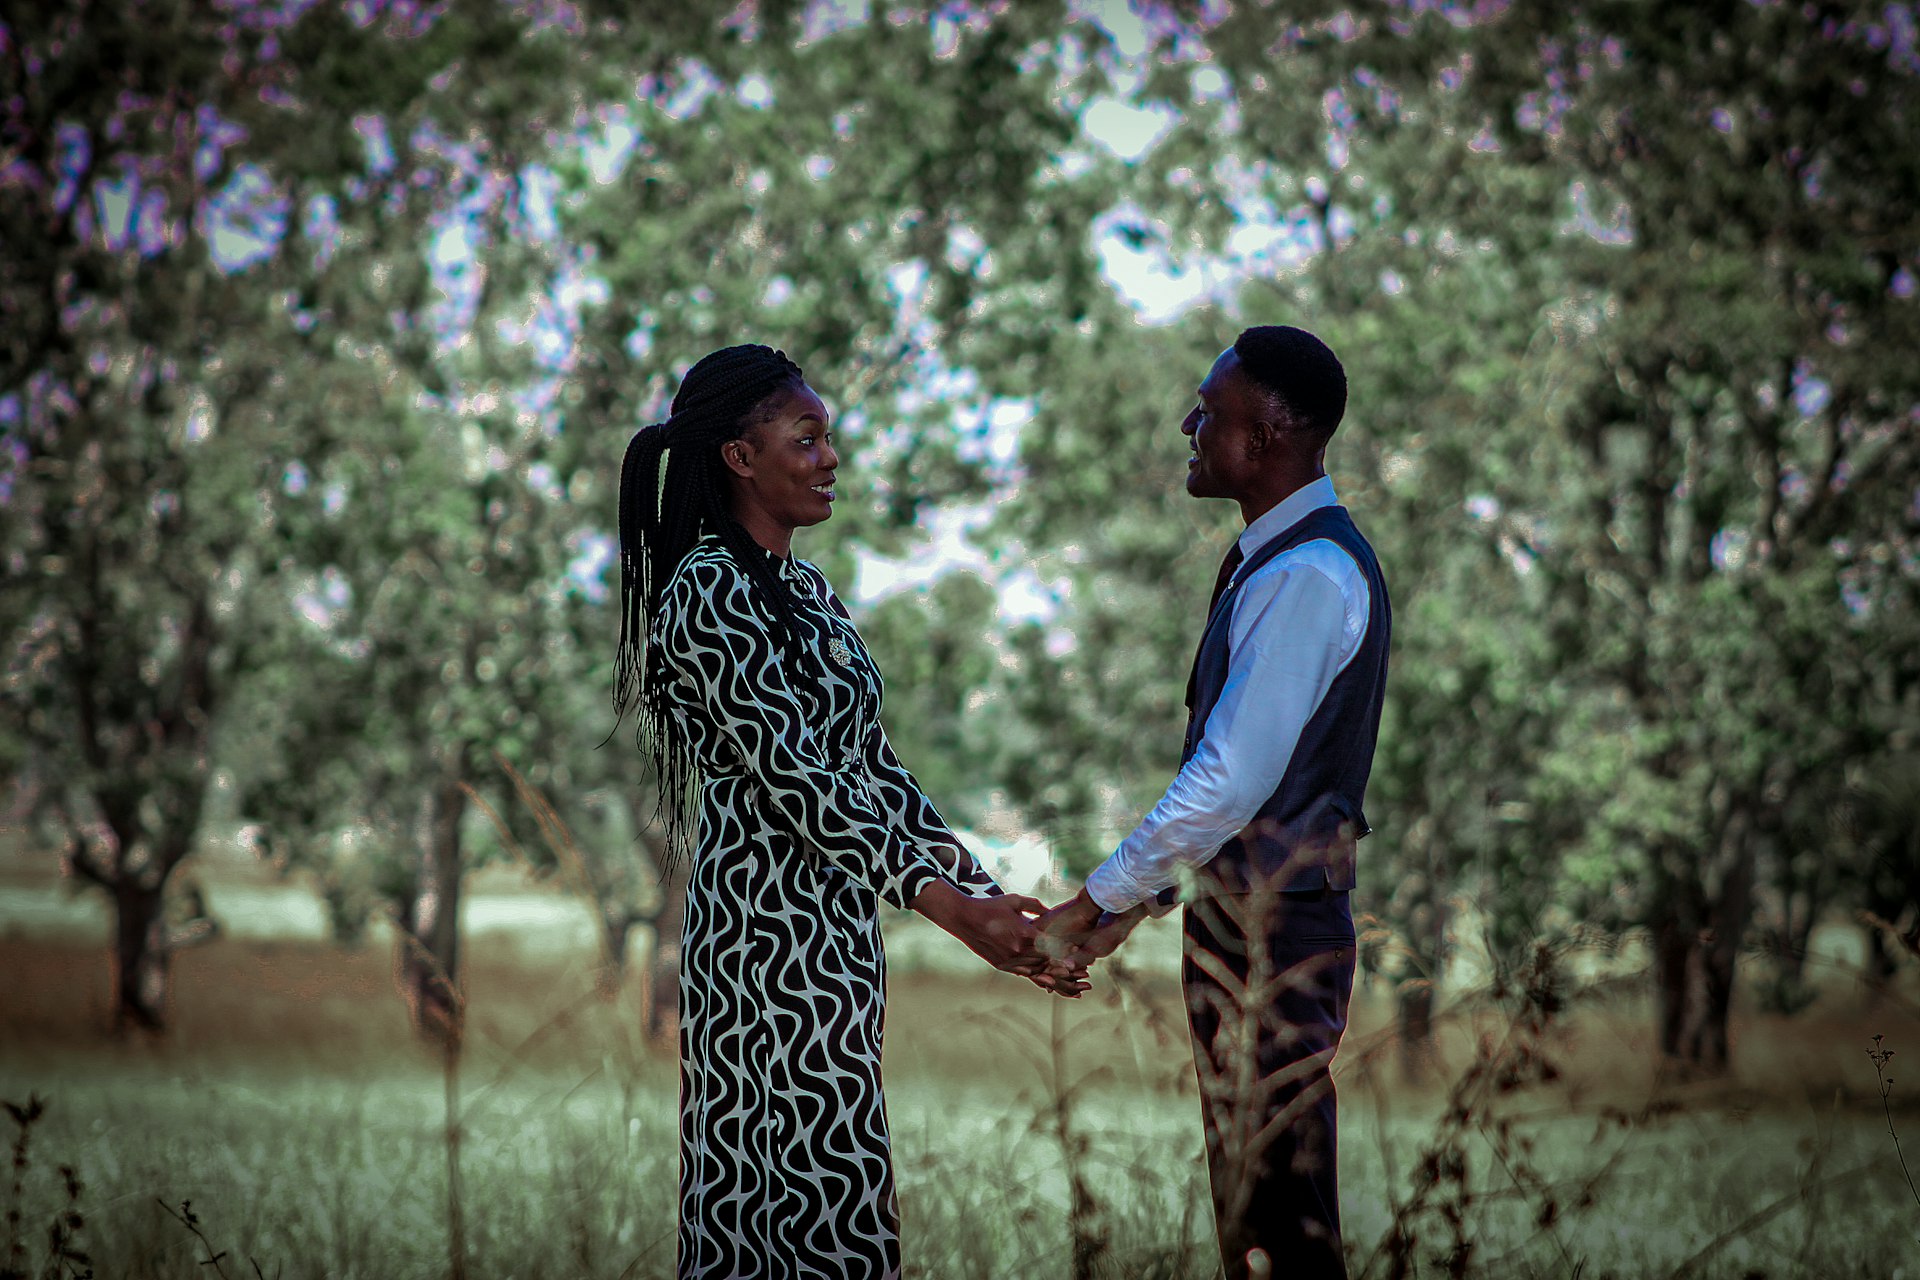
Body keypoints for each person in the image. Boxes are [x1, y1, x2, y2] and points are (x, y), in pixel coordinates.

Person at [613, 343, 1085, 1280]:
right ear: (741, 458)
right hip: (761, 956)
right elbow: (799, 779)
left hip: (834, 949)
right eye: (808, 437)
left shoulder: (808, 593)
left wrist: (988, 901)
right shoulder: (706, 590)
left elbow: (873, 770)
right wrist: (951, 909)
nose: (831, 457)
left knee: (843, 1203)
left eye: (829, 437)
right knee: (770, 1218)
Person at [1039, 326, 1390, 1280]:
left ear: (1269, 432)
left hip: (1278, 929)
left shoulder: (1306, 572)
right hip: (1249, 916)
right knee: (1254, 1196)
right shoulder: (1277, 560)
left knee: (1278, 1206)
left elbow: (1231, 777)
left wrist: (1100, 899)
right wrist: (1145, 901)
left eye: (1211, 410)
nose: (1190, 424)